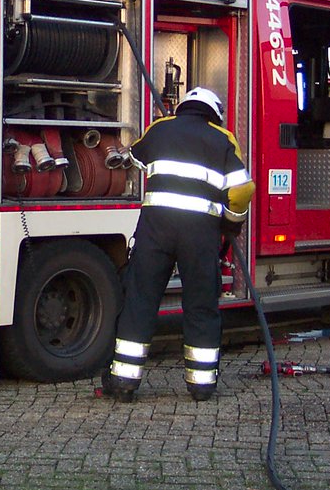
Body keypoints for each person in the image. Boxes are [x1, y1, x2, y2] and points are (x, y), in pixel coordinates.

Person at [102, 86, 255, 402]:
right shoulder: (223, 138)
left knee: (140, 300)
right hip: (200, 236)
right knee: (201, 304)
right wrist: (231, 224)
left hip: (155, 231)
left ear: (184, 107)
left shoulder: (160, 127)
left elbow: (134, 156)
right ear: (214, 113)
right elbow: (242, 191)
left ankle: (124, 382)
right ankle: (200, 384)